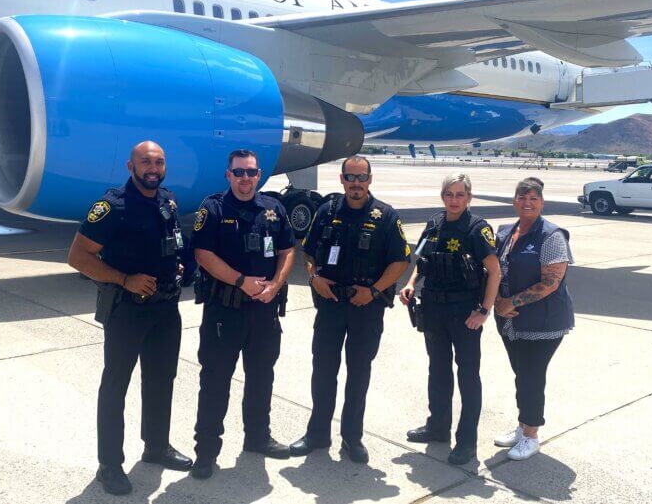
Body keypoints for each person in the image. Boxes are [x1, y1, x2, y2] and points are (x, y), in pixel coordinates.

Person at [68, 141, 192, 496]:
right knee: (115, 387)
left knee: (161, 380)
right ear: (130, 165)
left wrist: (176, 265)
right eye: (145, 162)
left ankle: (155, 446)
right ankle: (109, 464)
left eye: (159, 162)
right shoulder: (111, 207)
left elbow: (168, 242)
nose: (152, 168)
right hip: (128, 309)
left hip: (166, 309)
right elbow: (78, 256)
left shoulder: (168, 200)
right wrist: (125, 279)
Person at [290, 155, 411, 464]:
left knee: (358, 374)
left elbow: (400, 261)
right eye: (350, 177)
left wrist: (373, 291)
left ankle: (352, 438)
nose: (356, 184)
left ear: (370, 180)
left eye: (361, 178)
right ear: (341, 179)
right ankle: (317, 434)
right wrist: (314, 278)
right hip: (330, 305)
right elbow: (308, 251)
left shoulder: (386, 217)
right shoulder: (326, 212)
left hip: (365, 308)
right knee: (323, 371)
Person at [190, 149, 295, 480]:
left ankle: (258, 438)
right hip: (225, 311)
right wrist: (241, 281)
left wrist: (276, 284)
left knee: (262, 378)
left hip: (264, 312)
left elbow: (287, 249)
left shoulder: (274, 209)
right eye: (239, 172)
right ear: (228, 175)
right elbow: (202, 253)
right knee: (215, 381)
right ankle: (206, 452)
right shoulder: (214, 208)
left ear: (259, 175)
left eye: (251, 173)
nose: (245, 178)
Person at [400, 172, 501, 465]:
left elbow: (494, 272)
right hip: (433, 309)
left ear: (468, 198)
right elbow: (422, 262)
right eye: (449, 194)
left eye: (460, 195)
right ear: (443, 196)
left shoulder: (477, 229)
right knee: (438, 371)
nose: (454, 200)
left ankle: (467, 442)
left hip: (465, 313)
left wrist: (484, 310)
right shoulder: (434, 224)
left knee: (467, 376)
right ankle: (438, 428)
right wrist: (410, 284)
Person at [492, 177, 574, 461]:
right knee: (521, 374)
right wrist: (496, 304)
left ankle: (531, 435)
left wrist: (509, 303)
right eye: (521, 197)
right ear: (514, 200)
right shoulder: (505, 232)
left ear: (541, 202)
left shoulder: (551, 236)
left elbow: (551, 281)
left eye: (533, 199)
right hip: (510, 321)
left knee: (531, 375)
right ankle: (522, 425)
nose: (527, 203)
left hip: (543, 322)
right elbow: (494, 272)